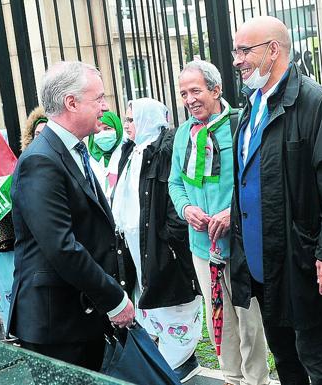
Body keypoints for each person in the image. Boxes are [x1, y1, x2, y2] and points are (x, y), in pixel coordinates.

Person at [230, 16, 322, 384]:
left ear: (274, 50)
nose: (237, 59)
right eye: (235, 50)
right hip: (263, 264)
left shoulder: (314, 103)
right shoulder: (251, 106)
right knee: (284, 359)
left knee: (314, 360)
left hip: (300, 261)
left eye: (245, 50)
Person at [8, 61, 135, 370]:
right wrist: (114, 298)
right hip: (57, 326)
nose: (105, 107)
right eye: (99, 98)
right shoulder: (41, 159)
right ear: (71, 102)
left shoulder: (71, 150)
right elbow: (61, 247)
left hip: (78, 316)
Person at [169, 60, 270, 385]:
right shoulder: (183, 133)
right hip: (201, 247)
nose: (189, 99)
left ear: (216, 89)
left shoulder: (240, 126)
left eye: (195, 90)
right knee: (220, 321)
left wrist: (232, 212)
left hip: (240, 245)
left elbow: (258, 180)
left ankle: (257, 380)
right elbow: (175, 182)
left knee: (249, 320)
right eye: (184, 93)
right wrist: (186, 209)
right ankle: (231, 377)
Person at [112, 98, 203, 382]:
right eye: (126, 120)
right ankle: (171, 360)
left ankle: (183, 361)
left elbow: (174, 197)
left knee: (175, 305)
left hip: (162, 247)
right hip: (138, 246)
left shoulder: (164, 151)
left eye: (131, 119)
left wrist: (168, 240)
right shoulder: (131, 151)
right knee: (152, 304)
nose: (127, 125)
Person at [88, 111, 124, 198]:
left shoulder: (127, 155)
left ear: (118, 129)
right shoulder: (87, 160)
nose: (102, 133)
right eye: (98, 129)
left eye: (107, 129)